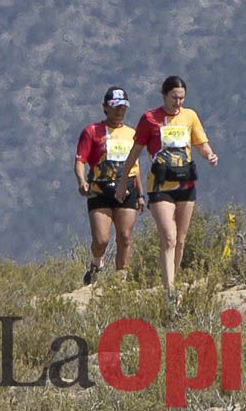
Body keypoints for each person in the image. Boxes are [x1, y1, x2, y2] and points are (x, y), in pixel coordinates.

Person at [116, 76, 217, 293]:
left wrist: (209, 155)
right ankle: (169, 290)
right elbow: (135, 151)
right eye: (174, 97)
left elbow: (200, 143)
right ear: (164, 95)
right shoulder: (150, 119)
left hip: (186, 185)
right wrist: (124, 180)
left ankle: (174, 282)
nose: (178, 102)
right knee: (169, 237)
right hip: (160, 186)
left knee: (180, 240)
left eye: (181, 98)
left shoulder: (190, 116)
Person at [74, 86, 145, 285]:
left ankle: (121, 279)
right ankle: (97, 264)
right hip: (100, 190)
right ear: (105, 107)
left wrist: (140, 194)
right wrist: (82, 181)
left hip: (126, 189)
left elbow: (135, 166)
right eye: (115, 107)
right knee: (101, 240)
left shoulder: (132, 134)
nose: (119, 111)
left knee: (125, 236)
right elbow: (80, 160)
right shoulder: (91, 131)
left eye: (123, 107)